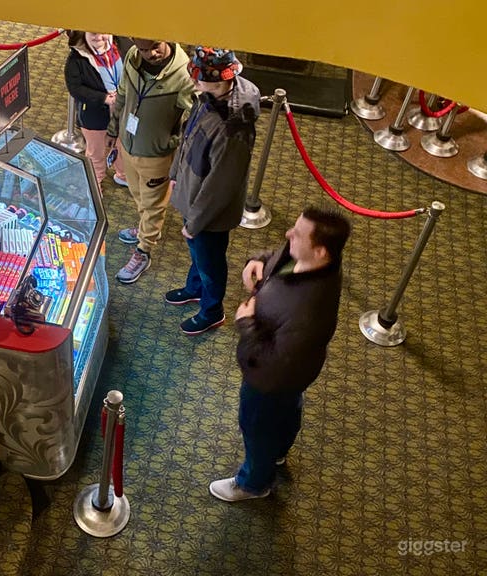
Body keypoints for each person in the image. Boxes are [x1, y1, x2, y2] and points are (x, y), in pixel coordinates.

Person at [209, 207, 351, 502]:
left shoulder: (310, 311)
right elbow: (279, 254)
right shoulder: (310, 259)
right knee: (287, 412)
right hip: (293, 376)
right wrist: (258, 261)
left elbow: (275, 364)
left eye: (297, 234)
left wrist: (246, 324)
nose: (288, 234)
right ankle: (279, 452)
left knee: (257, 427)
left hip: (271, 381)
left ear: (321, 251)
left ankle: (253, 484)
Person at [166, 47, 260, 335]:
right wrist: (175, 175)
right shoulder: (210, 96)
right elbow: (189, 133)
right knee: (198, 257)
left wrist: (195, 222)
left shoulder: (234, 126)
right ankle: (194, 289)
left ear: (219, 81)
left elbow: (222, 184)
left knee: (210, 263)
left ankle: (212, 310)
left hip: (209, 214)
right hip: (192, 194)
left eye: (199, 78)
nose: (194, 82)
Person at [106, 38, 194, 284]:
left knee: (154, 203)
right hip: (129, 146)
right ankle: (146, 228)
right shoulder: (133, 59)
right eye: (144, 49)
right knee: (139, 196)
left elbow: (196, 116)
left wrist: (175, 141)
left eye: (156, 46)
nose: (151, 54)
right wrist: (113, 131)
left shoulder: (183, 73)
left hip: (156, 154)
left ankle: (144, 251)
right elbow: (122, 95)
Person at [64, 31, 129, 188]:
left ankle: (123, 175)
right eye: (93, 33)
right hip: (95, 117)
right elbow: (76, 89)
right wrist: (104, 98)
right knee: (96, 153)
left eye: (102, 32)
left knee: (122, 147)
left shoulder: (122, 44)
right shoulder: (76, 59)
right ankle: (94, 182)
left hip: (122, 113)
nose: (99, 38)